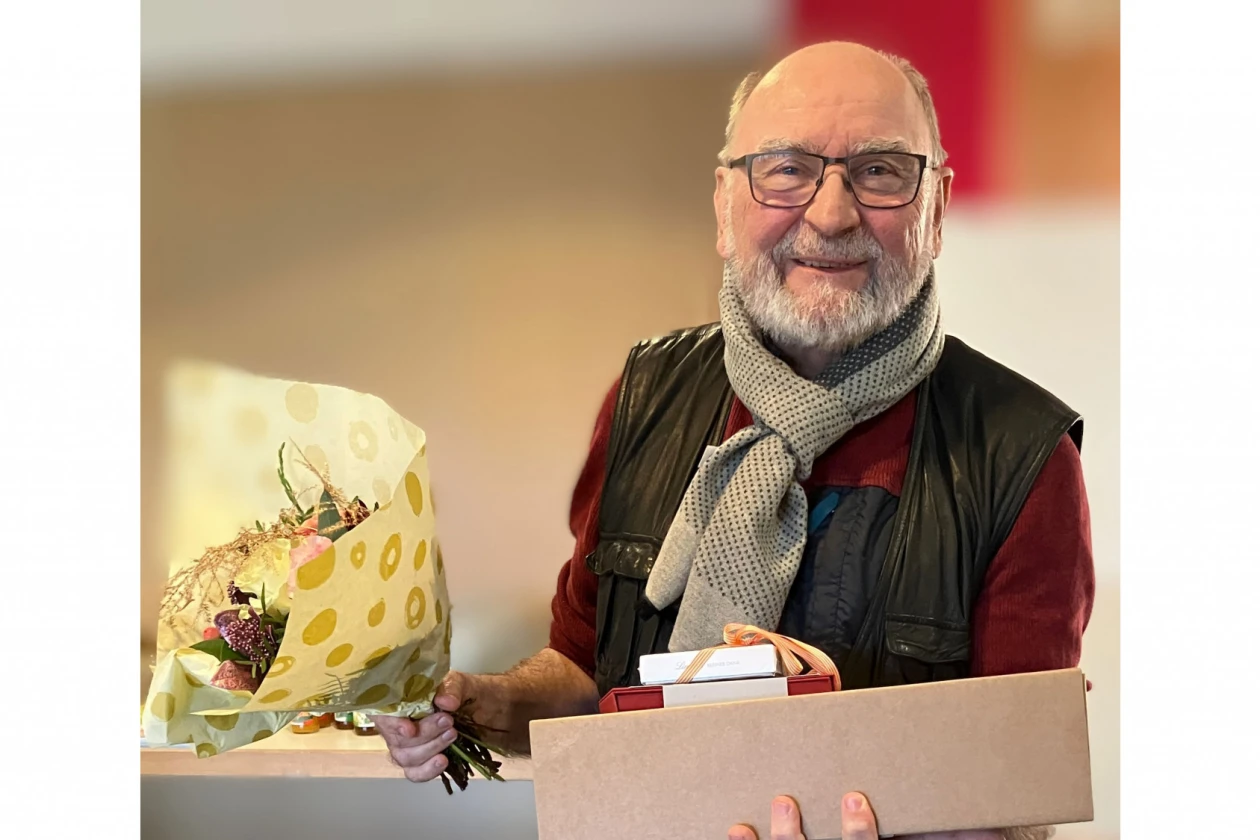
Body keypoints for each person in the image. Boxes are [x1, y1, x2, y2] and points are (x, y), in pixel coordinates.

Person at [377, 41, 1093, 840]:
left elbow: (1018, 790)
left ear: (937, 206)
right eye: (786, 169)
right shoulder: (644, 398)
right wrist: (484, 704)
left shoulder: (1022, 456)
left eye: (880, 171)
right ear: (724, 205)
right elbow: (583, 671)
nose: (831, 214)